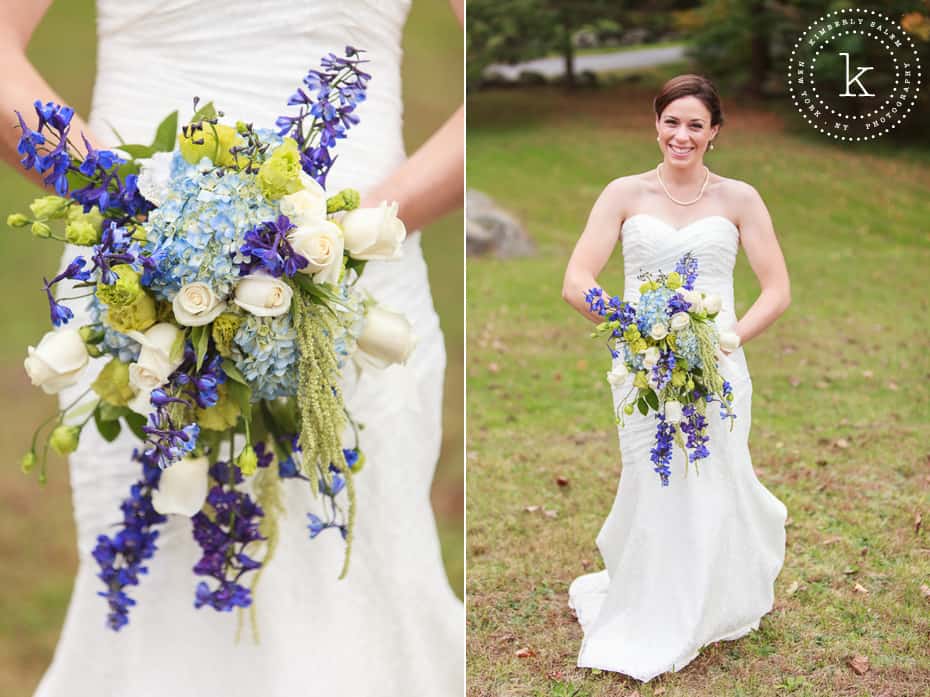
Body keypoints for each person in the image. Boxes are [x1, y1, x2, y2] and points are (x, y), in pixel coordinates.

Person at [0, 1, 464, 695]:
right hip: (133, 270)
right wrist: (127, 209)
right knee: (156, 583)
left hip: (358, 257)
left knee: (362, 572)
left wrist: (343, 235)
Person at [561, 74, 791, 682]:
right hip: (642, 369)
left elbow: (778, 289)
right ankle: (652, 598)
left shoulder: (740, 199)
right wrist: (630, 327)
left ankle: (707, 599)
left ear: (714, 133)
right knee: (653, 479)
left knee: (713, 476)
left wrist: (729, 337)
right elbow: (577, 278)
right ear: (655, 124)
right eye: (671, 121)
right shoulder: (624, 193)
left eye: (695, 124)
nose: (681, 135)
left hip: (718, 366)